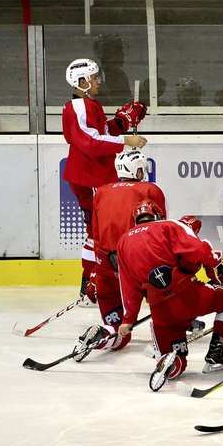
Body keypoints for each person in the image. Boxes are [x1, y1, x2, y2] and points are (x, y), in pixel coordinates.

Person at [111, 200, 223, 391]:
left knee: (179, 364)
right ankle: (217, 350)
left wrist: (128, 319)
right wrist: (222, 273)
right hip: (191, 297)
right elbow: (201, 251)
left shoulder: (123, 241)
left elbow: (127, 284)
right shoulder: (169, 226)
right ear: (158, 214)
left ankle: (170, 362)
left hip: (161, 313)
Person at [62, 58, 148, 299]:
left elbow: (100, 133)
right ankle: (91, 283)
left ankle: (93, 282)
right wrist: (126, 140)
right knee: (97, 233)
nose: (99, 81)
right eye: (94, 78)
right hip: (90, 177)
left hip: (94, 175)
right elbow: (89, 142)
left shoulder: (89, 105)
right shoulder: (79, 107)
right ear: (82, 82)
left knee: (99, 230)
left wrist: (122, 121)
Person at [75, 149, 167, 356]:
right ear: (137, 170)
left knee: (118, 334)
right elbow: (160, 232)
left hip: (105, 265)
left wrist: (95, 273)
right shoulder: (151, 190)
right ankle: (172, 328)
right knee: (168, 302)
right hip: (136, 263)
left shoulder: (101, 191)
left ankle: (103, 334)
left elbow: (95, 234)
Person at [92, 33, 132, 106]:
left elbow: (127, 102)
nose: (123, 54)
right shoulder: (94, 78)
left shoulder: (121, 75)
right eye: (119, 50)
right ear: (107, 53)